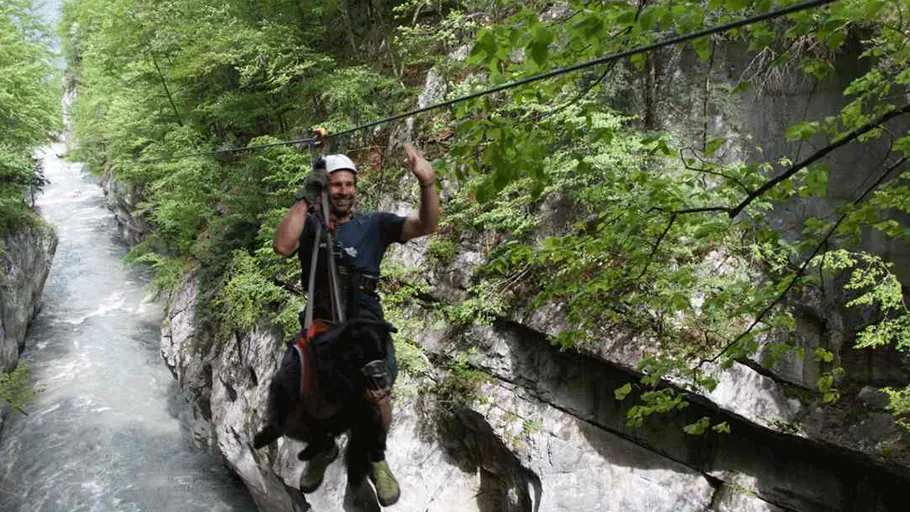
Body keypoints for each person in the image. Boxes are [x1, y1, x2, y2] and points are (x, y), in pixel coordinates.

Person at [272, 143, 439, 506]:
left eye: (349, 184)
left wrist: (427, 182)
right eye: (336, 185)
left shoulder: (373, 225)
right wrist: (305, 199)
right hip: (321, 322)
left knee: (376, 387)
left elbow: (427, 225)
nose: (344, 191)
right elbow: (283, 246)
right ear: (325, 188)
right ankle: (323, 447)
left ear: (356, 188)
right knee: (300, 390)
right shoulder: (311, 224)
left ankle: (375, 457)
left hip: (364, 321)